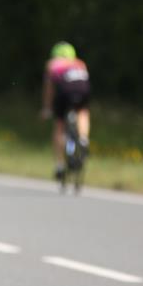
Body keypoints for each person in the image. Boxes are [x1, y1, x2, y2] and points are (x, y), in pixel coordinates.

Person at [41, 41, 90, 182]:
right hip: (83, 88)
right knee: (82, 112)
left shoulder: (52, 64)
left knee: (60, 126)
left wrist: (47, 108)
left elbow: (49, 88)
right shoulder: (80, 63)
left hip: (65, 91)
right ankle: (83, 139)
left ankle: (60, 165)